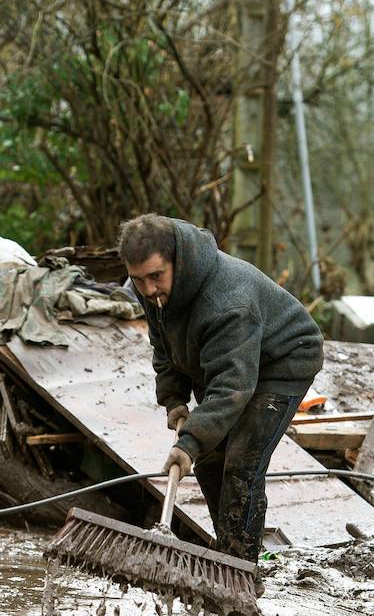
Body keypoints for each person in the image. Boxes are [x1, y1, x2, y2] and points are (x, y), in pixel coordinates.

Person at [119, 213, 324, 563]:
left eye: (156, 276)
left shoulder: (228, 302)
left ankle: (241, 567)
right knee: (210, 461)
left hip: (282, 361)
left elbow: (233, 386)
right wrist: (173, 399)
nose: (149, 289)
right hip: (226, 361)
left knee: (241, 464)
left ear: (177, 263)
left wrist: (190, 441)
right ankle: (228, 552)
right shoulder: (154, 293)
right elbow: (164, 345)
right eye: (139, 280)